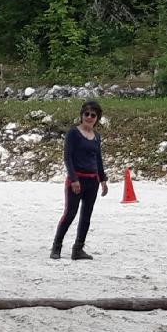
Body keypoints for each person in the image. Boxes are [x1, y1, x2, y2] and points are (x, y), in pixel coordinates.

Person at [50, 100, 108, 260]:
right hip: (76, 180)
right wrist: (74, 179)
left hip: (92, 181)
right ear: (81, 115)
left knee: (86, 216)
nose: (89, 117)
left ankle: (78, 249)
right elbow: (67, 157)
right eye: (86, 114)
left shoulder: (96, 137)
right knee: (70, 213)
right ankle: (57, 247)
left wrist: (103, 179)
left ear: (97, 118)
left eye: (93, 115)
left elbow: (98, 158)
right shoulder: (73, 133)